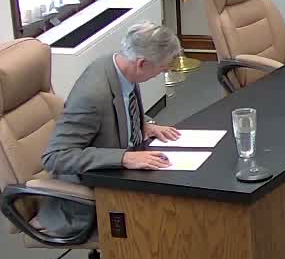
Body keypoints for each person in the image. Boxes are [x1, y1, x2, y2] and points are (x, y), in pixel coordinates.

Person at [40, 22, 184, 237]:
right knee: (170, 220)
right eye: (161, 70)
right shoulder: (93, 95)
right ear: (142, 63)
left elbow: (116, 110)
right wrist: (124, 158)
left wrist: (143, 124)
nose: (161, 74)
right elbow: (55, 156)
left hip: (122, 176)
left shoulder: (121, 67)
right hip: (90, 199)